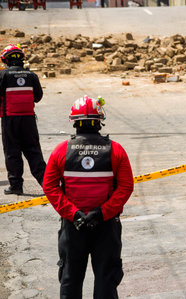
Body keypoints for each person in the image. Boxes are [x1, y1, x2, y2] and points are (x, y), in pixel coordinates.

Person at [43, 95, 134, 299]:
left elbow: (50, 186)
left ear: (74, 122)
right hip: (106, 226)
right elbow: (126, 187)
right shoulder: (116, 150)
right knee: (105, 280)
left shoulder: (61, 151)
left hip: (72, 227)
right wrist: (101, 213)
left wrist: (74, 214)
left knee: (70, 279)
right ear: (100, 121)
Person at [0, 44, 47, 195]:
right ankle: (48, 185)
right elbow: (38, 97)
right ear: (22, 59)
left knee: (12, 152)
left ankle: (16, 186)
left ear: (5, 60)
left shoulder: (3, 75)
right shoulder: (32, 75)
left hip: (10, 120)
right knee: (34, 152)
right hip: (28, 120)